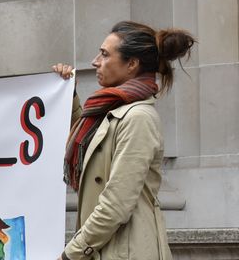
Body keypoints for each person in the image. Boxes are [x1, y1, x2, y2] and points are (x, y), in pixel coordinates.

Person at [52, 21, 195, 260]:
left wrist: (71, 254)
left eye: (105, 54)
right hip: (107, 248)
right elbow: (92, 147)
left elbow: (116, 204)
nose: (95, 61)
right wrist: (68, 94)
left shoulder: (138, 118)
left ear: (131, 64)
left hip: (126, 251)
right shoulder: (112, 110)